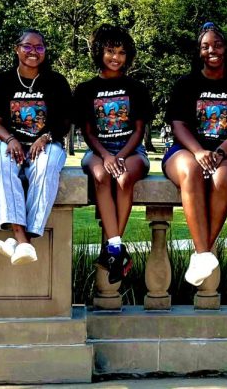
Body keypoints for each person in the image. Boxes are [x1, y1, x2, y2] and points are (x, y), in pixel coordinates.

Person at [163, 22, 227, 286]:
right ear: (198, 52)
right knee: (190, 170)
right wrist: (199, 151)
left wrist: (221, 151)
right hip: (187, 149)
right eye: (205, 46)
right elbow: (177, 124)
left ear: (225, 48)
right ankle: (204, 253)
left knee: (221, 178)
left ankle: (201, 254)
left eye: (217, 44)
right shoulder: (186, 84)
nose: (211, 50)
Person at [0, 29, 72, 266]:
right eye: (27, 46)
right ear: (17, 49)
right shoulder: (2, 81)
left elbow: (65, 122)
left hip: (47, 142)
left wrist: (45, 137)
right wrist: (11, 139)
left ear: (45, 51)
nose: (33, 51)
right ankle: (24, 239)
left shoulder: (56, 82)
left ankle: (18, 240)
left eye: (39, 47)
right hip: (6, 141)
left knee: (47, 165)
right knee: (1, 163)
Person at [75, 24, 151, 284]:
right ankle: (117, 248)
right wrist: (107, 156)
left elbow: (139, 130)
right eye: (110, 51)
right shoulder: (86, 89)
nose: (116, 57)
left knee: (123, 178)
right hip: (98, 150)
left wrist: (120, 156)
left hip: (131, 150)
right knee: (100, 174)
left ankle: (113, 249)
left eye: (121, 52)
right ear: (99, 52)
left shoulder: (137, 88)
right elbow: (88, 132)